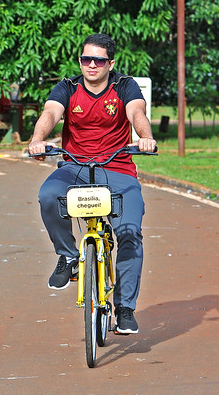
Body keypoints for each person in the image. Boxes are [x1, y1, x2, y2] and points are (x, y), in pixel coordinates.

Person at [27, 34, 157, 335]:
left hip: (118, 169)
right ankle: (69, 256)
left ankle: (125, 307)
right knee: (48, 195)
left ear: (110, 63)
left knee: (130, 233)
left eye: (99, 60)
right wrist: (37, 140)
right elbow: (50, 113)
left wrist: (145, 137)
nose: (92, 65)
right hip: (75, 167)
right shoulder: (67, 88)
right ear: (80, 61)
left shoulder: (124, 86)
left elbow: (137, 113)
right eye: (87, 59)